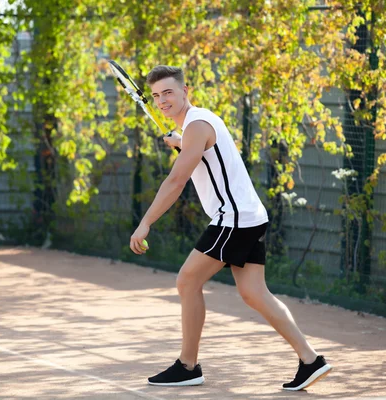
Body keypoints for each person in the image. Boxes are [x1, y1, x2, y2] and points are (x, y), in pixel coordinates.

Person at [129, 65, 332, 391]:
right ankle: (311, 360)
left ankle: (188, 366)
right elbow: (206, 156)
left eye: (168, 92)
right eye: (155, 95)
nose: (162, 100)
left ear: (185, 91)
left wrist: (145, 223)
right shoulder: (198, 124)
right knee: (254, 293)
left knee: (187, 280)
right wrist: (182, 144)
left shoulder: (196, 125)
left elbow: (176, 181)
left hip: (233, 219)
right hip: (250, 216)